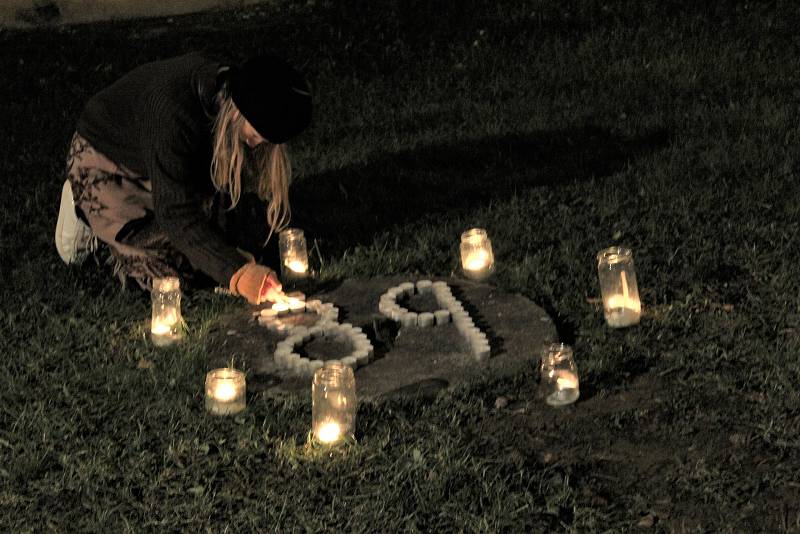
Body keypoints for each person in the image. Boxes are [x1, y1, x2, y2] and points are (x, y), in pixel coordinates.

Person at [54, 52, 312, 305]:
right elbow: (175, 214)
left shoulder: (225, 95)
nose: (257, 145)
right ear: (236, 112)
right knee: (172, 278)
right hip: (108, 163)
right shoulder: (171, 112)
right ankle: (84, 208)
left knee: (221, 246)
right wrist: (237, 271)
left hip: (159, 159)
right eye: (256, 136)